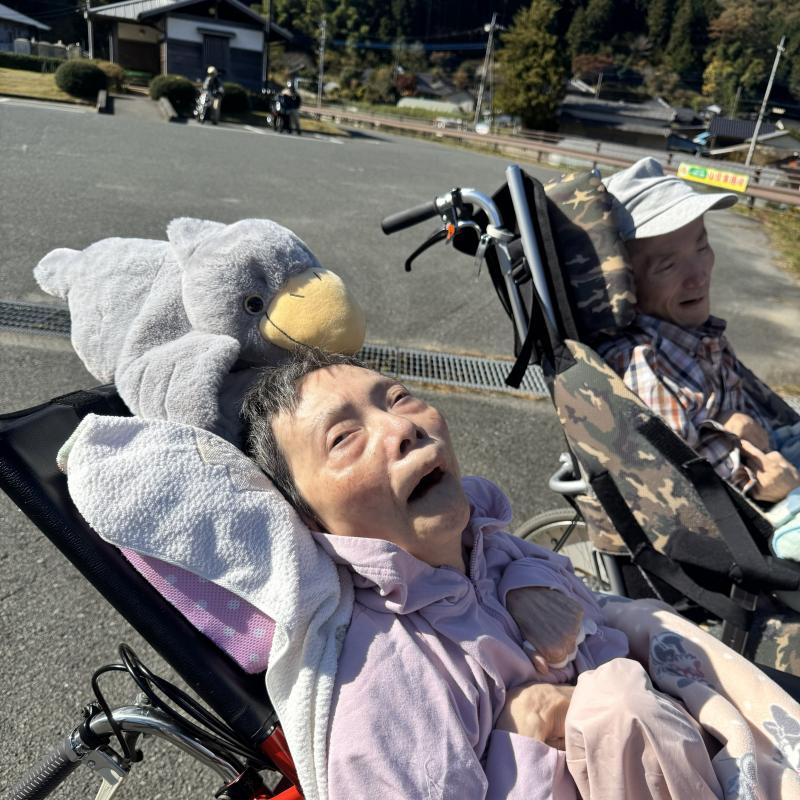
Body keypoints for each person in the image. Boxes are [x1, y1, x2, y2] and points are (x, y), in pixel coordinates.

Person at [242, 347, 724, 799]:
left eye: (399, 398)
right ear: (306, 520)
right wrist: (528, 727)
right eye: (343, 438)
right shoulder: (381, 687)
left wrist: (526, 580)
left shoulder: (492, 549)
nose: (400, 426)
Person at [595, 157, 800, 504]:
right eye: (668, 265)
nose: (699, 276)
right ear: (625, 283)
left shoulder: (697, 334)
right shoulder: (642, 363)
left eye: (702, 246)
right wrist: (761, 484)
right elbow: (682, 484)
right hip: (751, 504)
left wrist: (731, 419)